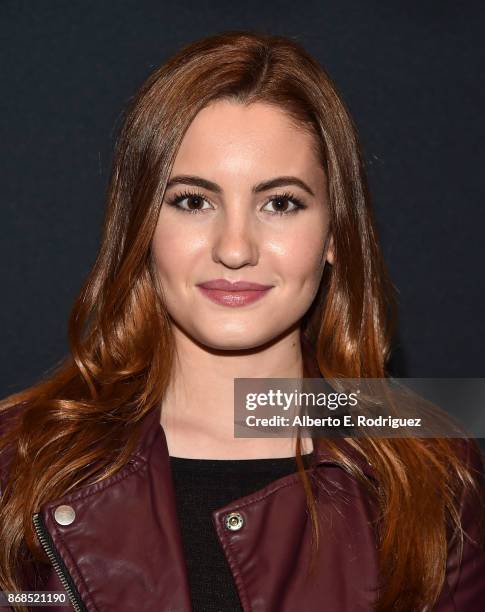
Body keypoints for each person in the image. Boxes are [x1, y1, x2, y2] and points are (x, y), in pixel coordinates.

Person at [0, 30, 484, 612]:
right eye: (192, 201)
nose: (235, 248)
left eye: (280, 203)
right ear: (141, 227)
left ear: (334, 233)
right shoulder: (18, 460)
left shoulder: (433, 472)